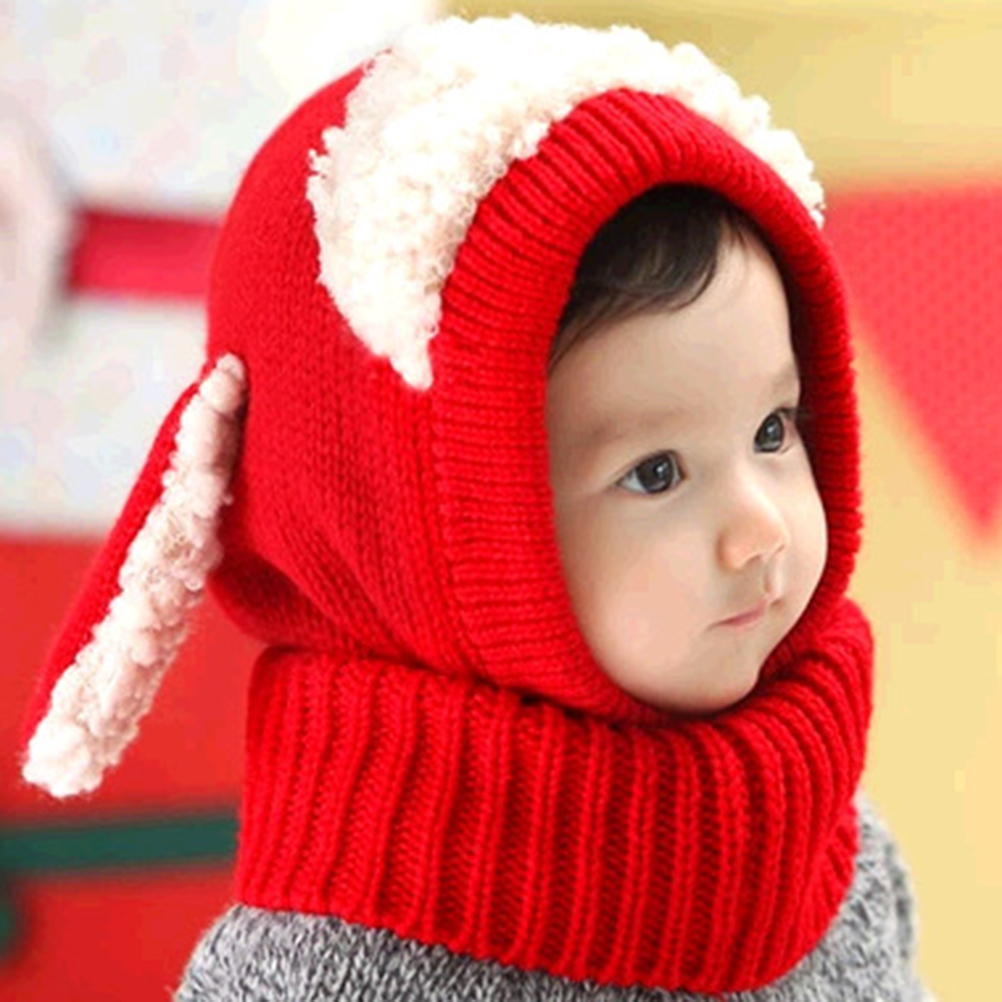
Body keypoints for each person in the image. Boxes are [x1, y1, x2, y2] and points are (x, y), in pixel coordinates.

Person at [21, 14, 931, 1001]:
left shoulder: (834, 857)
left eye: (774, 430)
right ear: (413, 531)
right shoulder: (328, 977)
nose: (762, 528)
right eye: (657, 474)